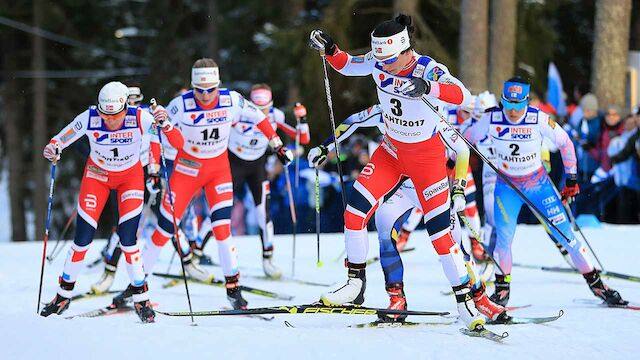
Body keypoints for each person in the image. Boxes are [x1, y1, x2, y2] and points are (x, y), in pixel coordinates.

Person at [309, 14, 492, 330]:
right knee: (354, 213)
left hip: (426, 160)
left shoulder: (427, 68)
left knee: (440, 236)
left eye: (391, 60)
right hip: (391, 152)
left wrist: (428, 86)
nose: (385, 66)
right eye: (381, 59)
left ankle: (465, 302)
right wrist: (330, 49)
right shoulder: (379, 61)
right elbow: (347, 64)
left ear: (406, 49)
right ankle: (355, 284)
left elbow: (464, 96)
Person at [308, 104, 507, 323]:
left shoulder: (430, 116)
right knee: (385, 236)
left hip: (430, 187)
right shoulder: (388, 109)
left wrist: (458, 187)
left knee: (453, 245)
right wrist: (324, 146)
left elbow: (461, 151)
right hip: (400, 190)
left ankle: (480, 299)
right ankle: (396, 300)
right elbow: (353, 119)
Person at [140, 58, 293, 309]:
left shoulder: (231, 99)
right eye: (199, 90)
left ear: (218, 84)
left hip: (218, 171)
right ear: (192, 87)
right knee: (165, 229)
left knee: (223, 229)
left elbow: (259, 118)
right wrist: (155, 167)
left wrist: (277, 145)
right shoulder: (181, 104)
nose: (205, 95)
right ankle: (136, 286)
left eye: (210, 89)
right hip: (187, 171)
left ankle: (233, 289)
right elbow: (161, 135)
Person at [463, 76, 627, 306]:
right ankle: (502, 289)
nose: (512, 111)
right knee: (504, 239)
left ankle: (597, 284)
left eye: (518, 105)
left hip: (538, 185)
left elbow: (566, 143)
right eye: (508, 104)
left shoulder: (538, 118)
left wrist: (571, 180)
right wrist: (453, 164)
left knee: (567, 237)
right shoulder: (491, 118)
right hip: (506, 187)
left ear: (527, 102)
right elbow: (464, 140)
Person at [40, 81, 184, 322]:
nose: (110, 120)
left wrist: (165, 122)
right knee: (82, 239)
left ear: (125, 107)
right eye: (106, 114)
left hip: (130, 178)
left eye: (115, 115)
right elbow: (60, 139)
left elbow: (178, 144)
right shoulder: (90, 116)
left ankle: (141, 299)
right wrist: (53, 147)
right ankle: (63, 296)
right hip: (97, 177)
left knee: (128, 240)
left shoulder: (141, 117)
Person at [227, 83, 310, 278]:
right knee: (221, 208)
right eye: (257, 108)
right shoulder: (238, 113)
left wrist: (302, 119)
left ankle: (268, 260)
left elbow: (302, 139)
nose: (261, 113)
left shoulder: (276, 116)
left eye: (265, 108)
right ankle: (196, 253)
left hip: (257, 166)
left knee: (262, 213)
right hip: (233, 164)